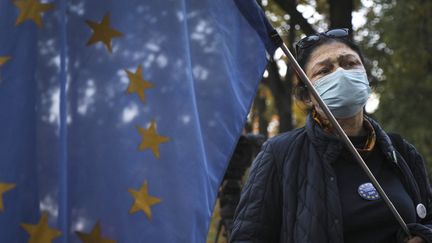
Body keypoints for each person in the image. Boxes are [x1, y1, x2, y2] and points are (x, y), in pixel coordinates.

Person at [230, 28, 432, 243]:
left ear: (365, 77)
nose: (341, 73)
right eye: (324, 71)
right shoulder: (280, 155)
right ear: (308, 96)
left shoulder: (401, 151)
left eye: (350, 63)